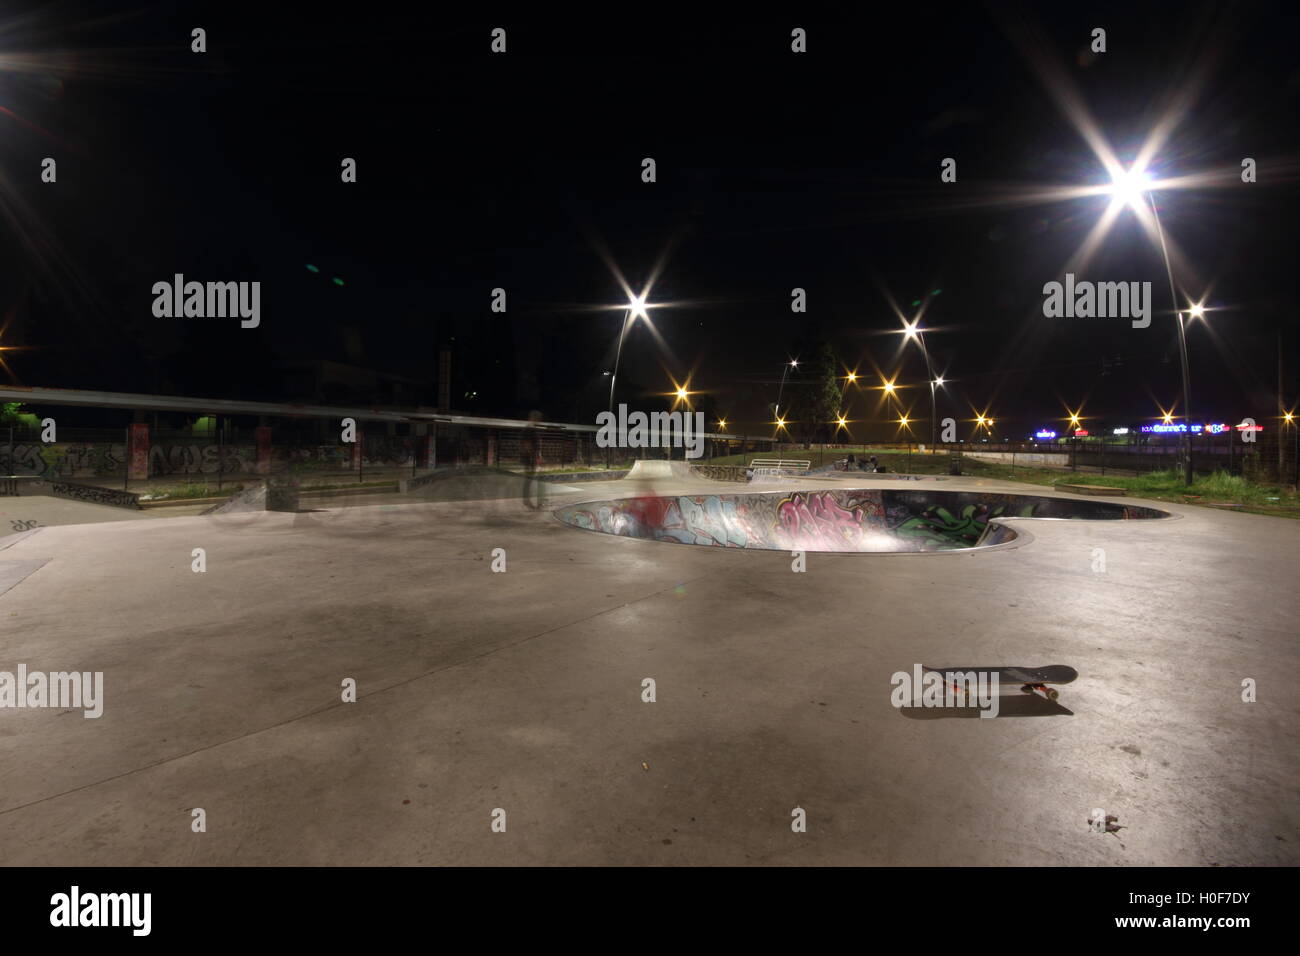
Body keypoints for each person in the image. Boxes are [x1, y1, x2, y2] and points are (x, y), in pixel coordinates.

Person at [520, 410, 543, 509]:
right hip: (529, 458)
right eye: (538, 419)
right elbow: (527, 443)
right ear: (534, 418)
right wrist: (533, 457)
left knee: (530, 479)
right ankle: (528, 499)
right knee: (530, 479)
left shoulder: (531, 428)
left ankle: (529, 500)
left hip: (530, 457)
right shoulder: (530, 428)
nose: (539, 421)